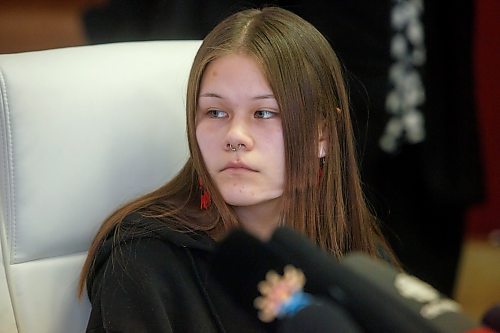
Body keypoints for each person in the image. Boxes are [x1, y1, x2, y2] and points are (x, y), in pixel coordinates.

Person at [79, 6, 396, 332]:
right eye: (216, 112)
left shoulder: (356, 256)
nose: (235, 137)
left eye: (263, 113)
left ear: (322, 134)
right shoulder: (143, 261)